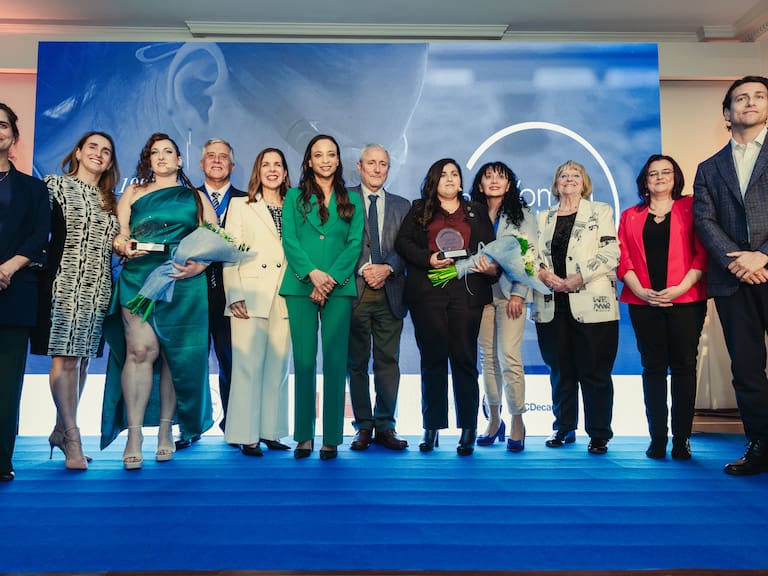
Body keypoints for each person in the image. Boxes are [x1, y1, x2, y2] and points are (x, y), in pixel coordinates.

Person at [101, 132, 218, 469]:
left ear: (179, 160)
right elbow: (120, 233)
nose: (162, 157)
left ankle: (166, 430)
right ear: (148, 160)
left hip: (183, 280)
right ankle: (134, 434)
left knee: (172, 356)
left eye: (168, 152)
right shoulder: (134, 192)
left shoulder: (195, 196)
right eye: (155, 152)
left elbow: (215, 237)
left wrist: (200, 265)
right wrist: (122, 246)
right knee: (140, 351)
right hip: (139, 278)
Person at [30, 132, 121, 470]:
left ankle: (60, 429)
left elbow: (115, 243)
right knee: (65, 361)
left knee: (81, 363)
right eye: (92, 147)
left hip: (99, 289)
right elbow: (36, 232)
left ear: (110, 162)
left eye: (106, 151)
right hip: (63, 285)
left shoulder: (111, 200)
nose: (99, 154)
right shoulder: (54, 186)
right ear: (78, 152)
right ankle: (72, 437)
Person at [395, 158, 496, 456]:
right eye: (443, 175)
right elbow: (403, 244)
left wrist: (489, 266)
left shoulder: (476, 211)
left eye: (454, 174)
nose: (450, 179)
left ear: (461, 181)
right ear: (433, 181)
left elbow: (491, 250)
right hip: (429, 294)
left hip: (467, 293)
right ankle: (432, 427)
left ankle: (469, 428)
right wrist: (428, 259)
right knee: (433, 361)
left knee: (465, 360)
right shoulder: (419, 209)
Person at [693, 75, 768, 476]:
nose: (750, 102)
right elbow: (704, 221)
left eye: (758, 96)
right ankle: (760, 445)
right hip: (732, 280)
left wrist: (762, 257)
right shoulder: (709, 168)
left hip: (764, 266)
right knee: (747, 368)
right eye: (741, 98)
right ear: (727, 112)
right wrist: (738, 262)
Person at [280, 134, 363, 461]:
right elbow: (290, 240)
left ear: (338, 160)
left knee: (335, 361)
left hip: (338, 287)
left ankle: (331, 437)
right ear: (309, 161)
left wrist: (329, 279)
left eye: (331, 154)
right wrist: (312, 274)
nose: (325, 160)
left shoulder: (352, 200)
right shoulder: (293, 196)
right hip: (301, 284)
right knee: (303, 361)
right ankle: (303, 435)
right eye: (319, 155)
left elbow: (354, 244)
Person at [618, 155, 707, 460]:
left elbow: (702, 254)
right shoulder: (630, 215)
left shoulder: (692, 207)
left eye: (665, 172)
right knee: (652, 368)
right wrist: (640, 291)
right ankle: (657, 438)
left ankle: (682, 439)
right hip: (643, 303)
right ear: (644, 181)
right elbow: (623, 258)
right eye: (653, 173)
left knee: (684, 367)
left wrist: (680, 288)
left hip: (686, 301)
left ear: (675, 177)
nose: (659, 177)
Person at [532, 160, 619, 455]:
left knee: (595, 373)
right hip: (551, 303)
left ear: (585, 183)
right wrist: (543, 274)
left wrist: (578, 278)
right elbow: (529, 254)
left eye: (575, 175)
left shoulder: (600, 212)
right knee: (560, 371)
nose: (569, 179)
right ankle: (564, 427)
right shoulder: (542, 217)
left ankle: (599, 433)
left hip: (592, 304)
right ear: (556, 184)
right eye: (563, 175)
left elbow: (611, 252)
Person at [174, 138, 246, 449]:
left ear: (232, 166)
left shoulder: (248, 201)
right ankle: (190, 426)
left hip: (233, 296)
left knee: (233, 362)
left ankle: (236, 425)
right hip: (191, 291)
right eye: (211, 156)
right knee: (190, 362)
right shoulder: (184, 200)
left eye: (223, 157)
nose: (217, 161)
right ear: (201, 164)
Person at [223, 148, 292, 456]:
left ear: (286, 172)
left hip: (286, 293)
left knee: (278, 366)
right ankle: (246, 434)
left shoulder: (296, 206)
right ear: (258, 171)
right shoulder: (240, 205)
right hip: (249, 293)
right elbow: (229, 253)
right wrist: (234, 294)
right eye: (266, 164)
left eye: (278, 165)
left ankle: (271, 431)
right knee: (247, 367)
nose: (272, 170)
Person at [470, 161, 538, 452]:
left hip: (511, 295)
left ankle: (518, 422)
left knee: (509, 356)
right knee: (487, 359)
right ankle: (494, 420)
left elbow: (530, 256)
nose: (494, 181)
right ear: (480, 184)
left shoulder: (522, 215)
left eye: (501, 177)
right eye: (489, 177)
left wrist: (520, 293)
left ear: (509, 184)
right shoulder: (471, 213)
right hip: (480, 294)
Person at [347, 144, 411, 451]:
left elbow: (407, 247)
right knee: (356, 363)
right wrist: (364, 268)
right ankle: (363, 425)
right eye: (370, 163)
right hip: (354, 292)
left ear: (388, 168)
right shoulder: (343, 199)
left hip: (391, 292)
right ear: (359, 167)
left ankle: (385, 425)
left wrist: (387, 268)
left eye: (382, 164)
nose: (376, 169)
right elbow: (337, 242)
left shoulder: (403, 205)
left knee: (388, 361)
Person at [0, 103, 50, 482]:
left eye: (3, 125)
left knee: (6, 383)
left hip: (14, 291)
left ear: (14, 135)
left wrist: (6, 268)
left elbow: (38, 237)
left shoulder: (34, 188)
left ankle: (2, 459)